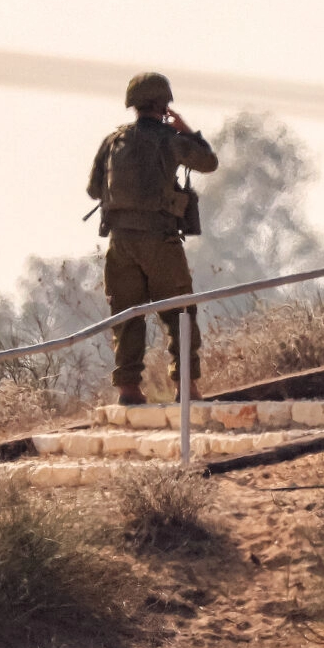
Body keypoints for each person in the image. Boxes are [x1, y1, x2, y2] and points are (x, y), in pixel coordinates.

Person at [88, 73, 219, 405]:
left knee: (127, 316)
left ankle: (129, 390)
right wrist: (187, 130)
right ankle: (186, 387)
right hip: (159, 241)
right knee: (180, 312)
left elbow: (92, 189)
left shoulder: (113, 140)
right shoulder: (170, 139)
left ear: (132, 104)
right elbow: (209, 162)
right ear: (164, 105)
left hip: (120, 244)